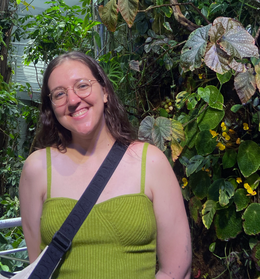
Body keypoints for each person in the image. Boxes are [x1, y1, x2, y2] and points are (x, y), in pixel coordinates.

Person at [19, 51, 192, 279]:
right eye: (59, 94)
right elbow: (39, 268)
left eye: (82, 85)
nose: (72, 100)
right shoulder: (37, 169)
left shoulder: (150, 162)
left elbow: (175, 270)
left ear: (105, 92)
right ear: (51, 107)